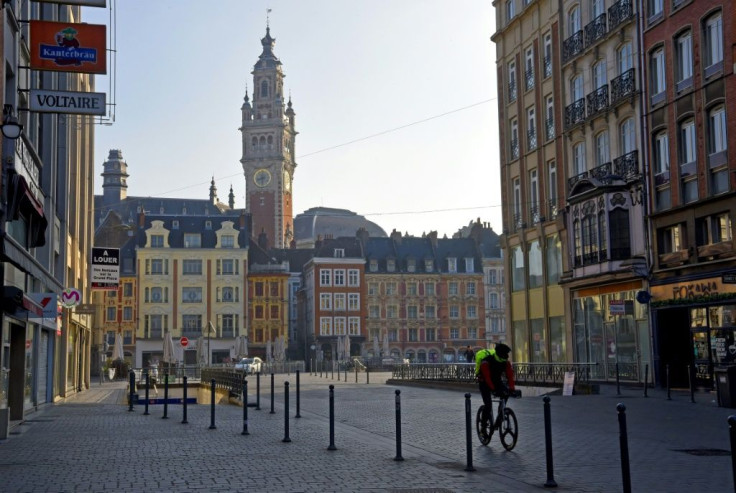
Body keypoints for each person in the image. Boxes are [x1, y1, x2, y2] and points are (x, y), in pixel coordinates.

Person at [475, 343, 518, 431]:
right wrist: (493, 390)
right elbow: (487, 377)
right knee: (488, 405)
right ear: (498, 354)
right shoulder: (486, 362)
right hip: (484, 382)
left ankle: (501, 412)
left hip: (497, 381)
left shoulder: (505, 362)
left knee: (505, 394)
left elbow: (510, 376)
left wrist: (512, 388)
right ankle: (483, 426)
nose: (505, 358)